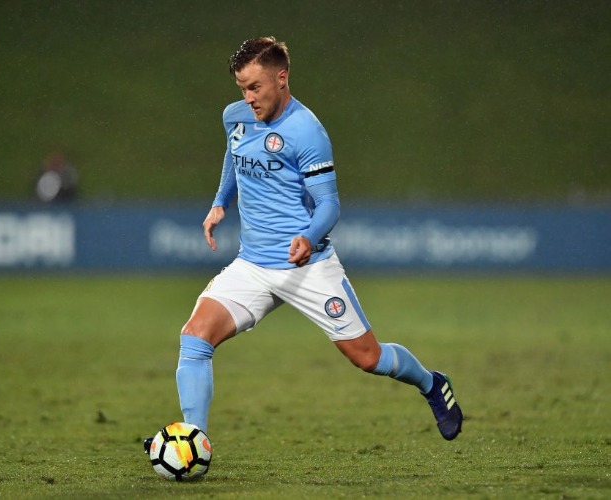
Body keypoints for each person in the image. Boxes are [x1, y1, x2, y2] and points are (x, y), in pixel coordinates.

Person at [144, 37, 462, 453]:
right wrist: (220, 202)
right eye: (242, 88)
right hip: (253, 266)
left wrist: (308, 239)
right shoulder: (235, 116)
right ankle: (193, 440)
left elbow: (329, 204)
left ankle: (431, 382)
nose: (248, 97)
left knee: (368, 357)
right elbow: (234, 153)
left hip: (306, 266)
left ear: (282, 77)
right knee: (195, 337)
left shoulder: (307, 131)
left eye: (255, 87)